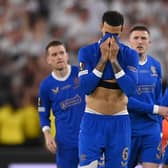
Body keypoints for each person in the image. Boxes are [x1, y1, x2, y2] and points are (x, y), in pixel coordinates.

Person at [78, 10, 139, 168]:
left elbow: (131, 89)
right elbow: (85, 87)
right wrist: (103, 60)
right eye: (106, 33)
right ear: (100, 27)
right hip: (93, 121)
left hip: (119, 122)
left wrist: (113, 61)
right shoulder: (87, 52)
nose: (110, 40)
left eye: (114, 35)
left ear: (121, 30)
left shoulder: (130, 55)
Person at [38, 40, 85, 168]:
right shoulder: (45, 86)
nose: (59, 57)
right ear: (48, 60)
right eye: (54, 55)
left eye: (61, 53)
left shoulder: (81, 74)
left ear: (67, 55)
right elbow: (43, 113)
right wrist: (47, 135)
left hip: (89, 140)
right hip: (65, 144)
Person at [127, 25, 168, 168]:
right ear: (129, 41)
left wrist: (159, 127)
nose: (140, 42)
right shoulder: (122, 67)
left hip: (151, 130)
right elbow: (125, 101)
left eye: (143, 38)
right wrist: (156, 109)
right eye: (136, 38)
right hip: (128, 129)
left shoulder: (155, 65)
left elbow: (158, 98)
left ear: (149, 42)